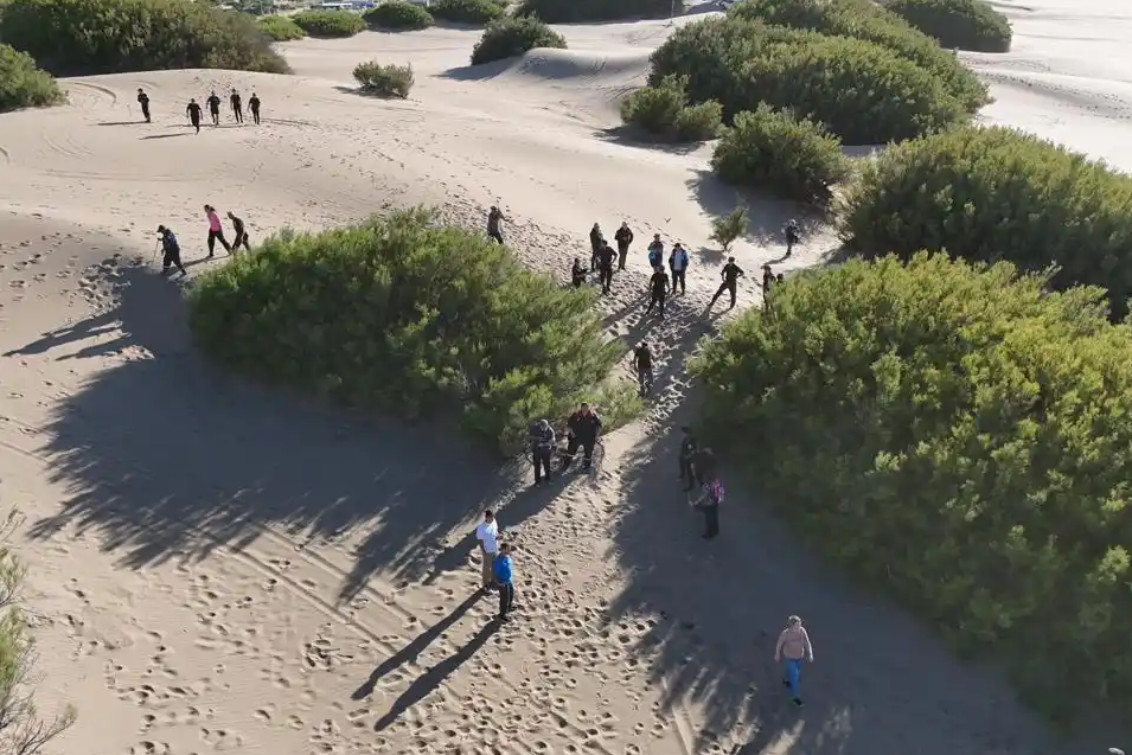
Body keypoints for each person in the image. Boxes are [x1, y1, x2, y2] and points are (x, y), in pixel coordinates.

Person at [775, 615, 814, 707]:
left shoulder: (802, 631)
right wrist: (777, 654)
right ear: (791, 626)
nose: (799, 627)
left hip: (800, 657)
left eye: (800, 624)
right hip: (789, 657)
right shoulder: (786, 633)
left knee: (796, 673)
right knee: (795, 678)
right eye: (797, 625)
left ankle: (787, 680)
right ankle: (796, 698)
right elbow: (779, 644)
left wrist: (810, 653)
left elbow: (807, 642)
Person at [562, 402, 602, 472]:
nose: (585, 409)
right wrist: (572, 433)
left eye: (587, 407)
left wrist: (597, 436)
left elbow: (599, 426)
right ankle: (566, 465)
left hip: (589, 438)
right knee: (570, 451)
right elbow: (569, 425)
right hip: (576, 437)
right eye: (584, 407)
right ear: (581, 408)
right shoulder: (576, 415)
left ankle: (586, 467)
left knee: (588, 453)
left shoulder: (593, 416)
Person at [690, 468, 723, 539]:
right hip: (715, 502)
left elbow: (704, 495)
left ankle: (709, 533)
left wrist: (697, 502)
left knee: (709, 518)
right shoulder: (717, 483)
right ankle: (715, 530)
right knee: (714, 516)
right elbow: (721, 493)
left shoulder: (708, 485)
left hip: (710, 503)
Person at [475, 509, 499, 592]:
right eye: (491, 517)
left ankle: (493, 581)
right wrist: (483, 551)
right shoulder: (481, 528)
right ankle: (485, 586)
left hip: (495, 548)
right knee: (486, 569)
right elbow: (479, 540)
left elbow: (496, 532)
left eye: (493, 517)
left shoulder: (494, 522)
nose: (492, 519)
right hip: (487, 550)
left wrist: (497, 537)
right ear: (486, 517)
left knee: (495, 566)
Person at [493, 543, 515, 621]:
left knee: (511, 594)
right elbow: (495, 573)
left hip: (508, 580)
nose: (509, 550)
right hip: (502, 582)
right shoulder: (498, 561)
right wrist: (499, 583)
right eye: (508, 549)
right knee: (504, 599)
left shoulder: (506, 557)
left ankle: (509, 606)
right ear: (503, 549)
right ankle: (502, 614)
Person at [530, 419, 555, 486]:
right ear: (540, 425)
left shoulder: (550, 430)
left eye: (545, 427)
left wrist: (545, 444)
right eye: (542, 428)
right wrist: (538, 438)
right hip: (536, 450)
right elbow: (530, 437)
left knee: (547, 465)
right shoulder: (535, 428)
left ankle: (548, 478)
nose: (544, 429)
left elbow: (552, 440)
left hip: (546, 450)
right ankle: (537, 481)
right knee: (537, 466)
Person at [678, 426, 698, 492]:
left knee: (690, 471)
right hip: (683, 455)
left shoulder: (692, 440)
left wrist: (689, 456)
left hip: (690, 458)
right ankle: (682, 475)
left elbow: (694, 450)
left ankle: (691, 485)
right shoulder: (685, 439)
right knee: (682, 464)